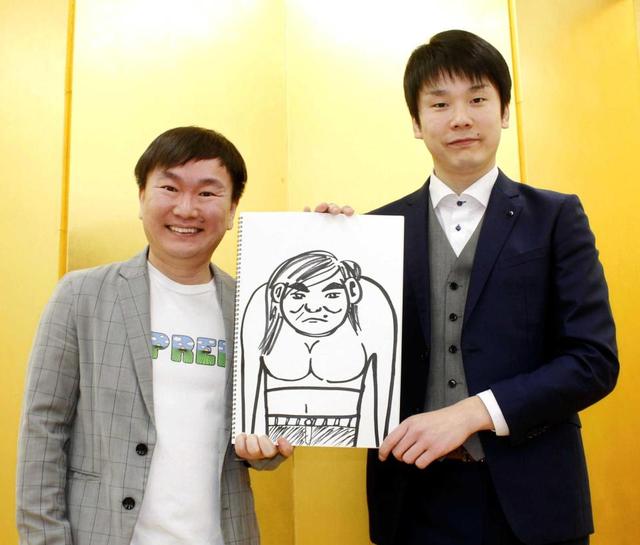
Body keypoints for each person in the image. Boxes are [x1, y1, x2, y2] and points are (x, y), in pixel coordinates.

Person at [364, 30, 618, 545]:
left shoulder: (557, 217)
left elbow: (593, 361)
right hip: (412, 504)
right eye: (440, 104)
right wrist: (324, 243)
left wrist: (474, 412)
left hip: (536, 501)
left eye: (477, 99)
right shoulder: (375, 230)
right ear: (416, 122)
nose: (460, 118)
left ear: (503, 111)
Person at [16, 126, 292, 545]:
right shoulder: (81, 295)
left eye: (207, 193)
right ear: (142, 196)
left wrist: (330, 236)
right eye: (169, 188)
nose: (186, 208)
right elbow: (43, 428)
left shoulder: (253, 307)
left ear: (232, 209)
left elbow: (265, 443)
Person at [240, 250, 397, 447]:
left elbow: (383, 393)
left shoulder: (372, 307)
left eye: (331, 295)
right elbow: (248, 391)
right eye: (298, 295)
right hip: (276, 431)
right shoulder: (261, 306)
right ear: (278, 294)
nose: (313, 307)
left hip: (344, 430)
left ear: (352, 291)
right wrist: (250, 441)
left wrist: (380, 442)